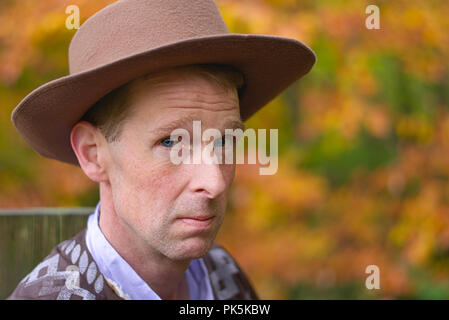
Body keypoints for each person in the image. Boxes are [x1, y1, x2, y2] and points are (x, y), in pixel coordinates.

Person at [7, 0, 316, 300]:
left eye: (225, 142)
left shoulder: (222, 275)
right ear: (92, 153)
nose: (215, 183)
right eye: (171, 142)